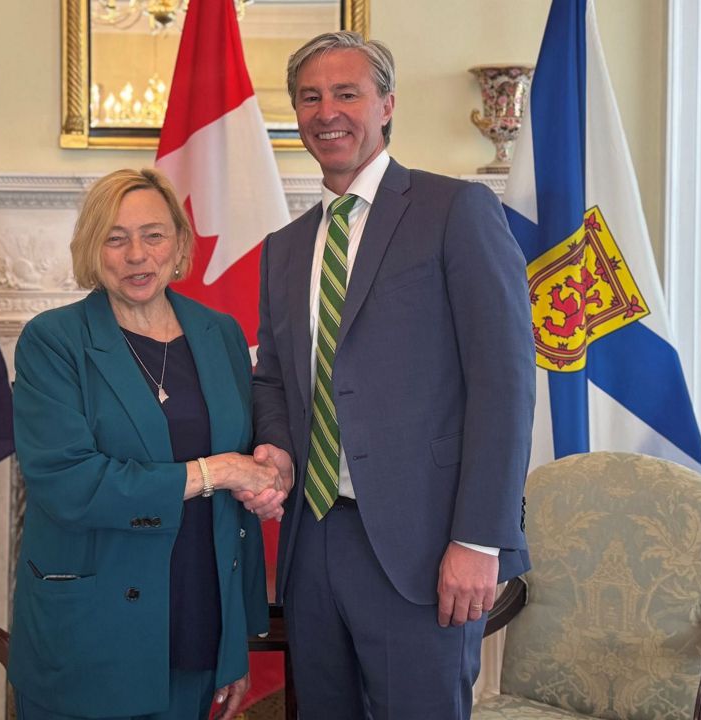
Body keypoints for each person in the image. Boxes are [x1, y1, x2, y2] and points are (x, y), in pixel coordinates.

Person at [246, 31, 536, 718]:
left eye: (347, 93)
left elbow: (504, 385)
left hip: (425, 545)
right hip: (314, 542)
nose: (327, 112)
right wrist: (276, 446)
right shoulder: (284, 248)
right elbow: (274, 379)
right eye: (310, 98)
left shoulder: (455, 211)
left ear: (386, 105)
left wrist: (478, 538)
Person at [9, 168, 283, 720]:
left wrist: (233, 643)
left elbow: (242, 494)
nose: (137, 254)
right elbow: (70, 484)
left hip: (198, 616)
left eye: (153, 235)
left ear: (179, 244)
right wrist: (218, 471)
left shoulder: (222, 333)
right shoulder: (53, 341)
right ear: (92, 248)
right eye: (116, 238)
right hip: (91, 629)